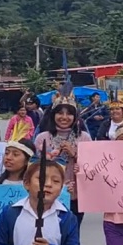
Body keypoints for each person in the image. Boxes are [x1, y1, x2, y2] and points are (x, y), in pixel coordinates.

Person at [35, 87, 93, 229]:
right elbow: (35, 167)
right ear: (53, 115)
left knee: (72, 234)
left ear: (75, 117)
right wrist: (51, 156)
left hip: (76, 195)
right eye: (60, 113)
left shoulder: (84, 138)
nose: (64, 117)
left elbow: (93, 167)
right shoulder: (42, 138)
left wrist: (75, 154)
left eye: (69, 114)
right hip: (48, 193)